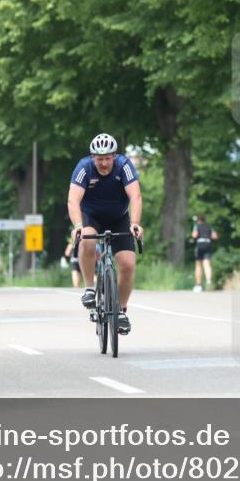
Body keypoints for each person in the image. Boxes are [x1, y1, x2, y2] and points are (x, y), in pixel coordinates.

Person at [68, 132, 143, 334]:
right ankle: (90, 288)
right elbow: (73, 200)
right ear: (93, 158)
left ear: (114, 156)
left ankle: (121, 311)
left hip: (119, 218)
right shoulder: (84, 168)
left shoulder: (124, 166)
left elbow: (135, 196)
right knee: (87, 240)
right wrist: (77, 225)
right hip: (91, 217)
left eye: (107, 158)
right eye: (99, 159)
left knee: (127, 264)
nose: (103, 163)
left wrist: (135, 222)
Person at [191, 215, 218, 292]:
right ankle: (209, 281)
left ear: (198, 220)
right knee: (207, 264)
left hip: (200, 245)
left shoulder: (197, 226)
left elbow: (194, 235)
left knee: (198, 265)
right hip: (208, 244)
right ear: (205, 220)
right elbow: (215, 236)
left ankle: (198, 284)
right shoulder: (209, 227)